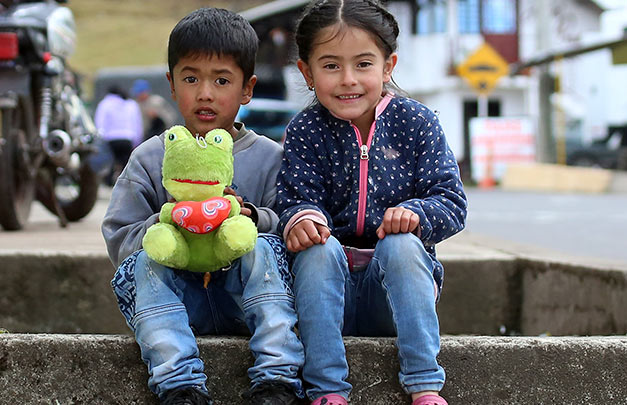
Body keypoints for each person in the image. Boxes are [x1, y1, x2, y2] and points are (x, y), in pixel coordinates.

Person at [102, 8, 305, 405]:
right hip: (178, 305)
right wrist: (170, 227)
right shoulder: (149, 157)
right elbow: (119, 234)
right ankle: (179, 384)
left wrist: (249, 217)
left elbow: (291, 227)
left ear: (247, 90)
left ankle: (277, 377)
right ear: (172, 86)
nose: (205, 93)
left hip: (247, 303)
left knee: (264, 247)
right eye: (191, 78)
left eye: (222, 80)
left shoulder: (270, 158)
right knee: (143, 263)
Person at [276, 0, 468, 404]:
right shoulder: (304, 130)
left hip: (392, 294)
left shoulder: (417, 122)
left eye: (363, 64)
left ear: (388, 66)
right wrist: (301, 220)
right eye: (330, 66)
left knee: (400, 244)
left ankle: (425, 385)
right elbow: (293, 200)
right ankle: (327, 390)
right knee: (315, 250)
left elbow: (451, 202)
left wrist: (416, 214)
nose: (348, 80)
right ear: (306, 73)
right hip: (330, 294)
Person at [94, 85, 143, 185]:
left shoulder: (105, 103)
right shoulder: (131, 104)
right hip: (128, 137)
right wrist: (137, 141)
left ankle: (109, 183)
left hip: (110, 138)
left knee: (111, 162)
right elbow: (137, 123)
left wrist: (100, 136)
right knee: (126, 163)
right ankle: (127, 183)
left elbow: (99, 122)